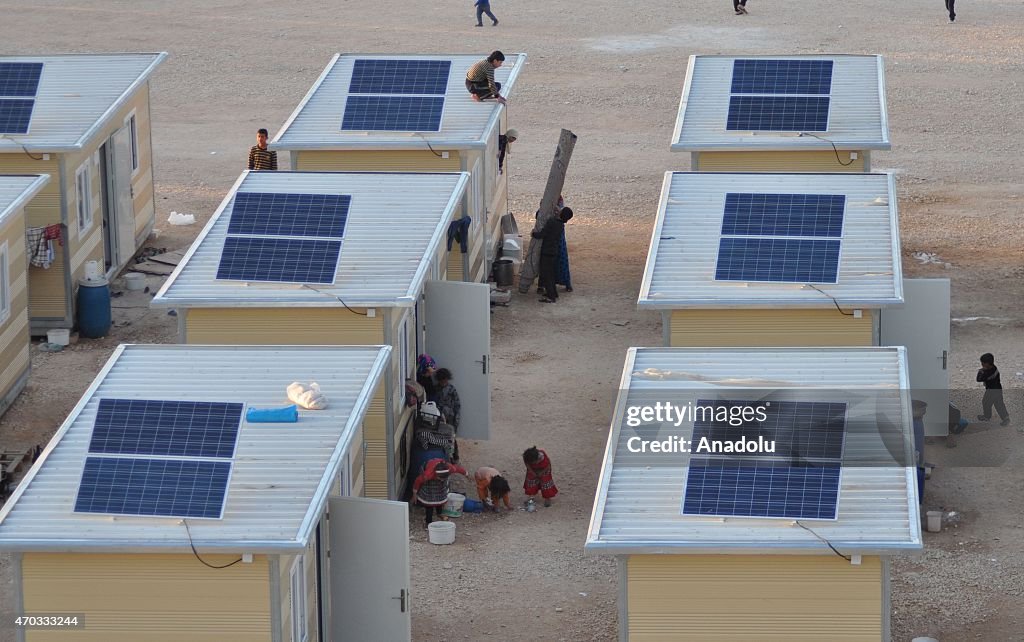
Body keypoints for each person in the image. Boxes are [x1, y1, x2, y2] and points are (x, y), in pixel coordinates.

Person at [411, 458, 468, 527]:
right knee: (429, 504)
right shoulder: (427, 475)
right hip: (429, 482)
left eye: (444, 478)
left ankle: (439, 513)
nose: (441, 480)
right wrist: (415, 493)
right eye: (440, 478)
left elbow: (458, 469)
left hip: (439, 479)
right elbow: (418, 481)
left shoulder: (450, 468)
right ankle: (428, 521)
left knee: (440, 497)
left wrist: (466, 474)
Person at [532, 207, 573, 303]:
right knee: (550, 274)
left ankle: (551, 296)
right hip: (553, 251)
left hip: (547, 251)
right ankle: (553, 293)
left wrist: (534, 234)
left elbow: (543, 234)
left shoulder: (552, 222)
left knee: (547, 274)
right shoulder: (560, 225)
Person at [435, 368, 462, 462]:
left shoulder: (451, 389)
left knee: (452, 437)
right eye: (442, 380)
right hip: (439, 418)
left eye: (445, 380)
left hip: (450, 417)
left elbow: (457, 405)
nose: (444, 382)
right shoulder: (436, 389)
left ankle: (455, 457)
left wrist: (456, 419)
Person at [977, 353, 1010, 426]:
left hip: (994, 390)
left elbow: (979, 379)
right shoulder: (991, 369)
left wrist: (981, 372)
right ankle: (990, 416)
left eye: (983, 363)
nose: (982, 364)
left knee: (995, 404)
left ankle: (990, 417)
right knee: (992, 403)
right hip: (993, 390)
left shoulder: (992, 372)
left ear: (988, 363)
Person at [555, 196, 573, 293]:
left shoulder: (557, 220)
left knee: (549, 262)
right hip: (560, 241)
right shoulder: (560, 208)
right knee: (562, 260)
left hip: (553, 242)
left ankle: (544, 286)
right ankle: (567, 283)